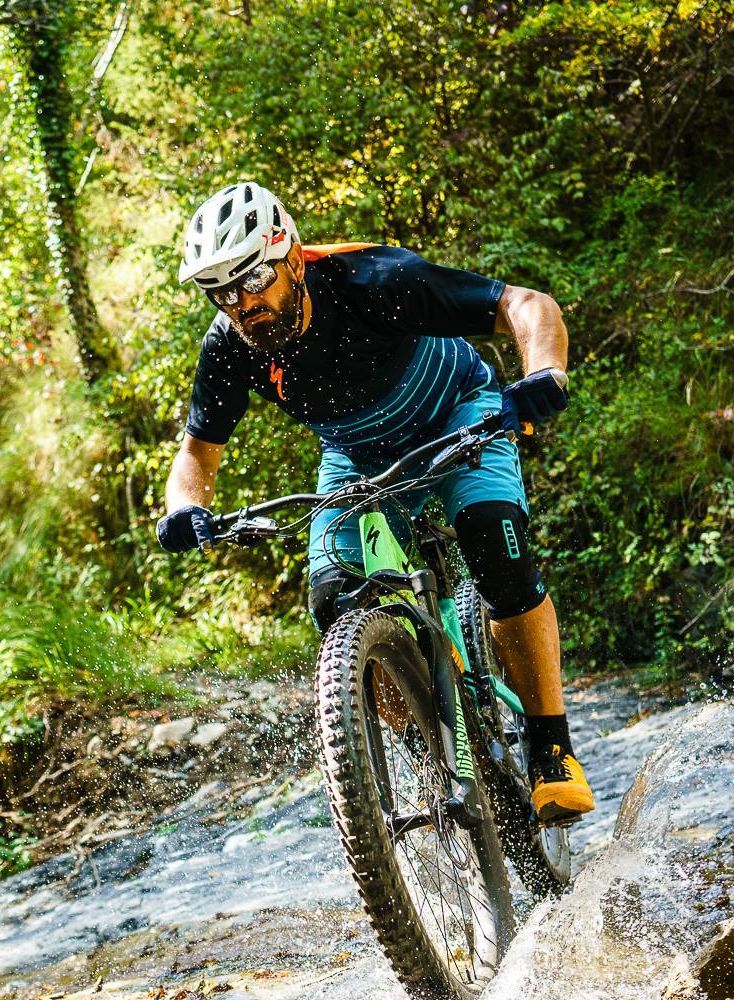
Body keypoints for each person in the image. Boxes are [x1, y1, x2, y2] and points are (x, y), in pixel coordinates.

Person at [154, 182, 593, 825]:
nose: (243, 305)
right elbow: (197, 453)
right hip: (357, 458)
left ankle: (552, 750)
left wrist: (543, 374)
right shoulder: (229, 345)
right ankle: (436, 751)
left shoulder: (375, 280)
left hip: (459, 415)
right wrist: (182, 509)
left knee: (494, 547)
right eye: (221, 292)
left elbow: (525, 304)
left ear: (291, 257)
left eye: (254, 280)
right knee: (335, 600)